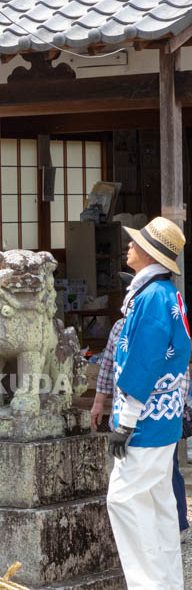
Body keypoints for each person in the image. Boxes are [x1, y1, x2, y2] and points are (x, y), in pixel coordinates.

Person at [106, 216, 191, 589]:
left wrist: (125, 422)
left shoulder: (153, 297)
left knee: (124, 501)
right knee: (158, 506)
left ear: (150, 253)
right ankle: (166, 583)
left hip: (145, 421)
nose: (129, 245)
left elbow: (144, 362)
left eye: (136, 242)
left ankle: (148, 584)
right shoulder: (165, 293)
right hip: (163, 417)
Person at [94, 314, 190, 542]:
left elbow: (181, 371)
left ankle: (177, 525)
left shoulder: (165, 323)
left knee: (165, 472)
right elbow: (108, 365)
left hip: (158, 419)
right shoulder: (119, 326)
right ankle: (138, 528)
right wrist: (98, 402)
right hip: (123, 416)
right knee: (127, 474)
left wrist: (174, 408)